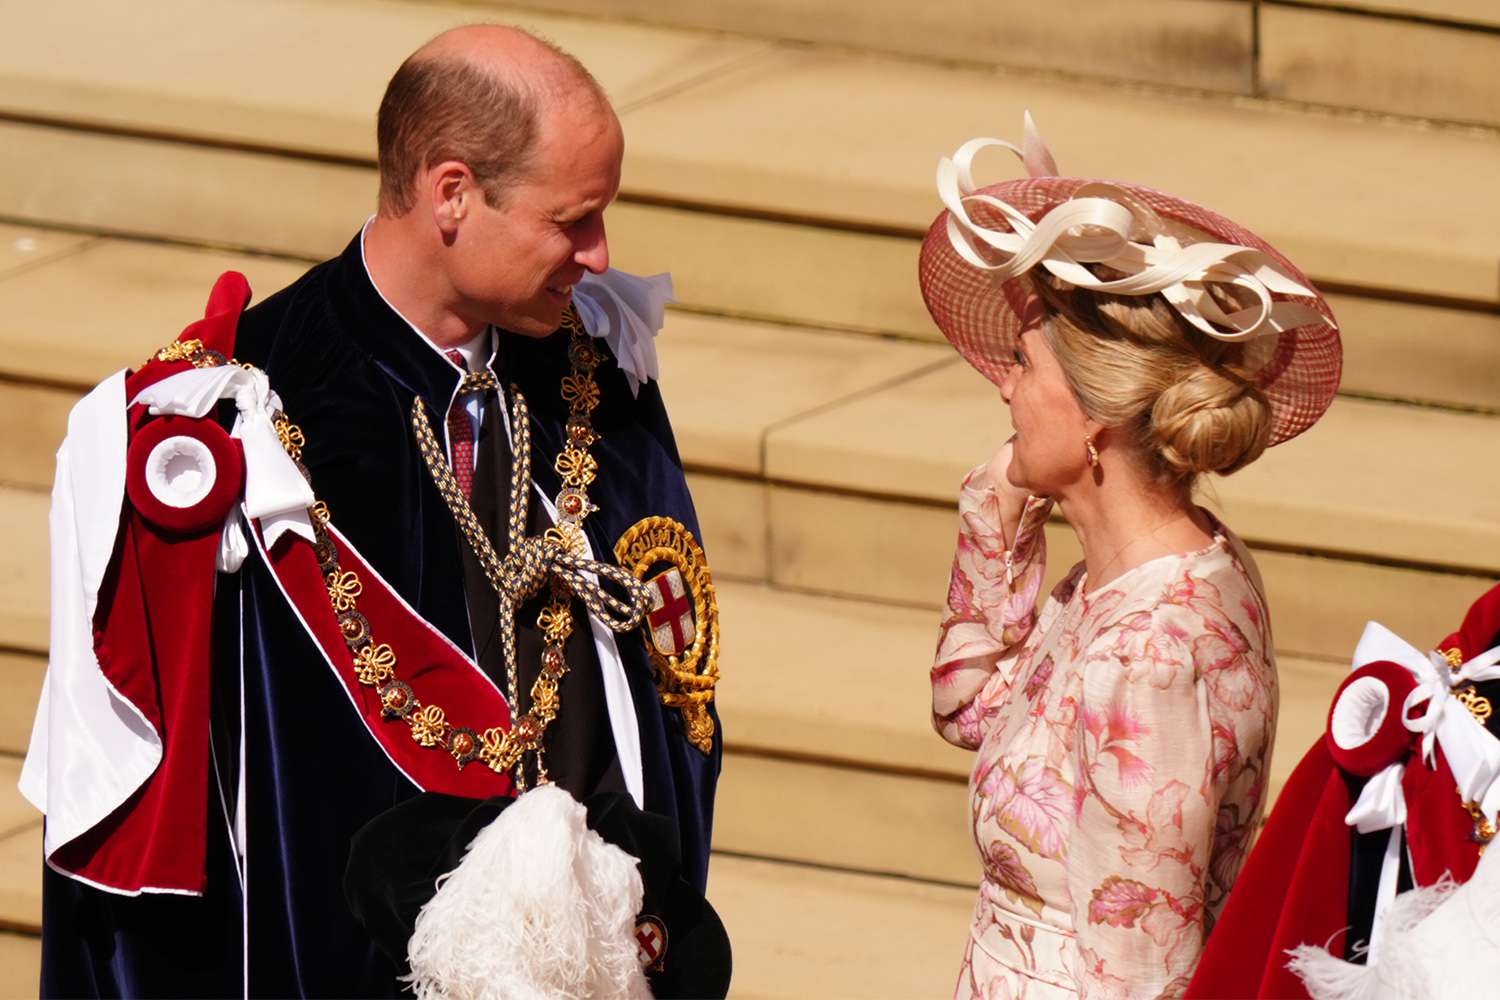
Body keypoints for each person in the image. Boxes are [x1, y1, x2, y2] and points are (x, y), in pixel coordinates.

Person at [24, 24, 723, 997]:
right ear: (451, 193)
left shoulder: (593, 368)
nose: (600, 254)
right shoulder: (237, 430)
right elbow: (176, 851)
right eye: (573, 219)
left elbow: (667, 700)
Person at [919, 115, 1342, 998]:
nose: (1002, 380)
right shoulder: (1114, 581)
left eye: (1023, 363)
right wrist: (994, 511)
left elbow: (1142, 971)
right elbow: (967, 710)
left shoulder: (1153, 653)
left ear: (1096, 414)